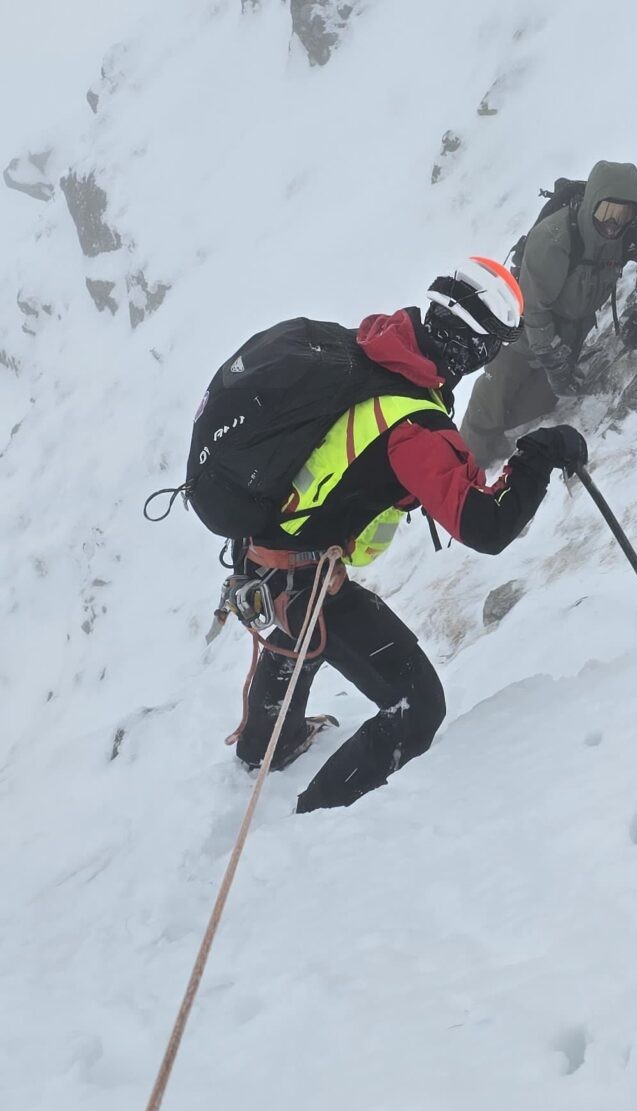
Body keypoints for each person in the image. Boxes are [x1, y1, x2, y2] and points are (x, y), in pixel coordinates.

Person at [229, 257, 586, 813]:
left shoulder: (376, 349)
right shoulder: (413, 424)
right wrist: (538, 456)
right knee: (417, 707)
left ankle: (263, 749)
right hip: (304, 575)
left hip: (262, 550)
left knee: (304, 630)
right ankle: (314, 818)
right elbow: (485, 526)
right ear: (474, 347)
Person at [459, 159, 637, 468]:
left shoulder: (629, 234)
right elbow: (534, 310)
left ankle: (496, 452)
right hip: (521, 330)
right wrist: (554, 359)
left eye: (624, 214)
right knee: (489, 400)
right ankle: (462, 473)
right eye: (606, 212)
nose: (613, 223)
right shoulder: (552, 239)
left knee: (539, 403)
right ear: (592, 203)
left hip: (570, 333)